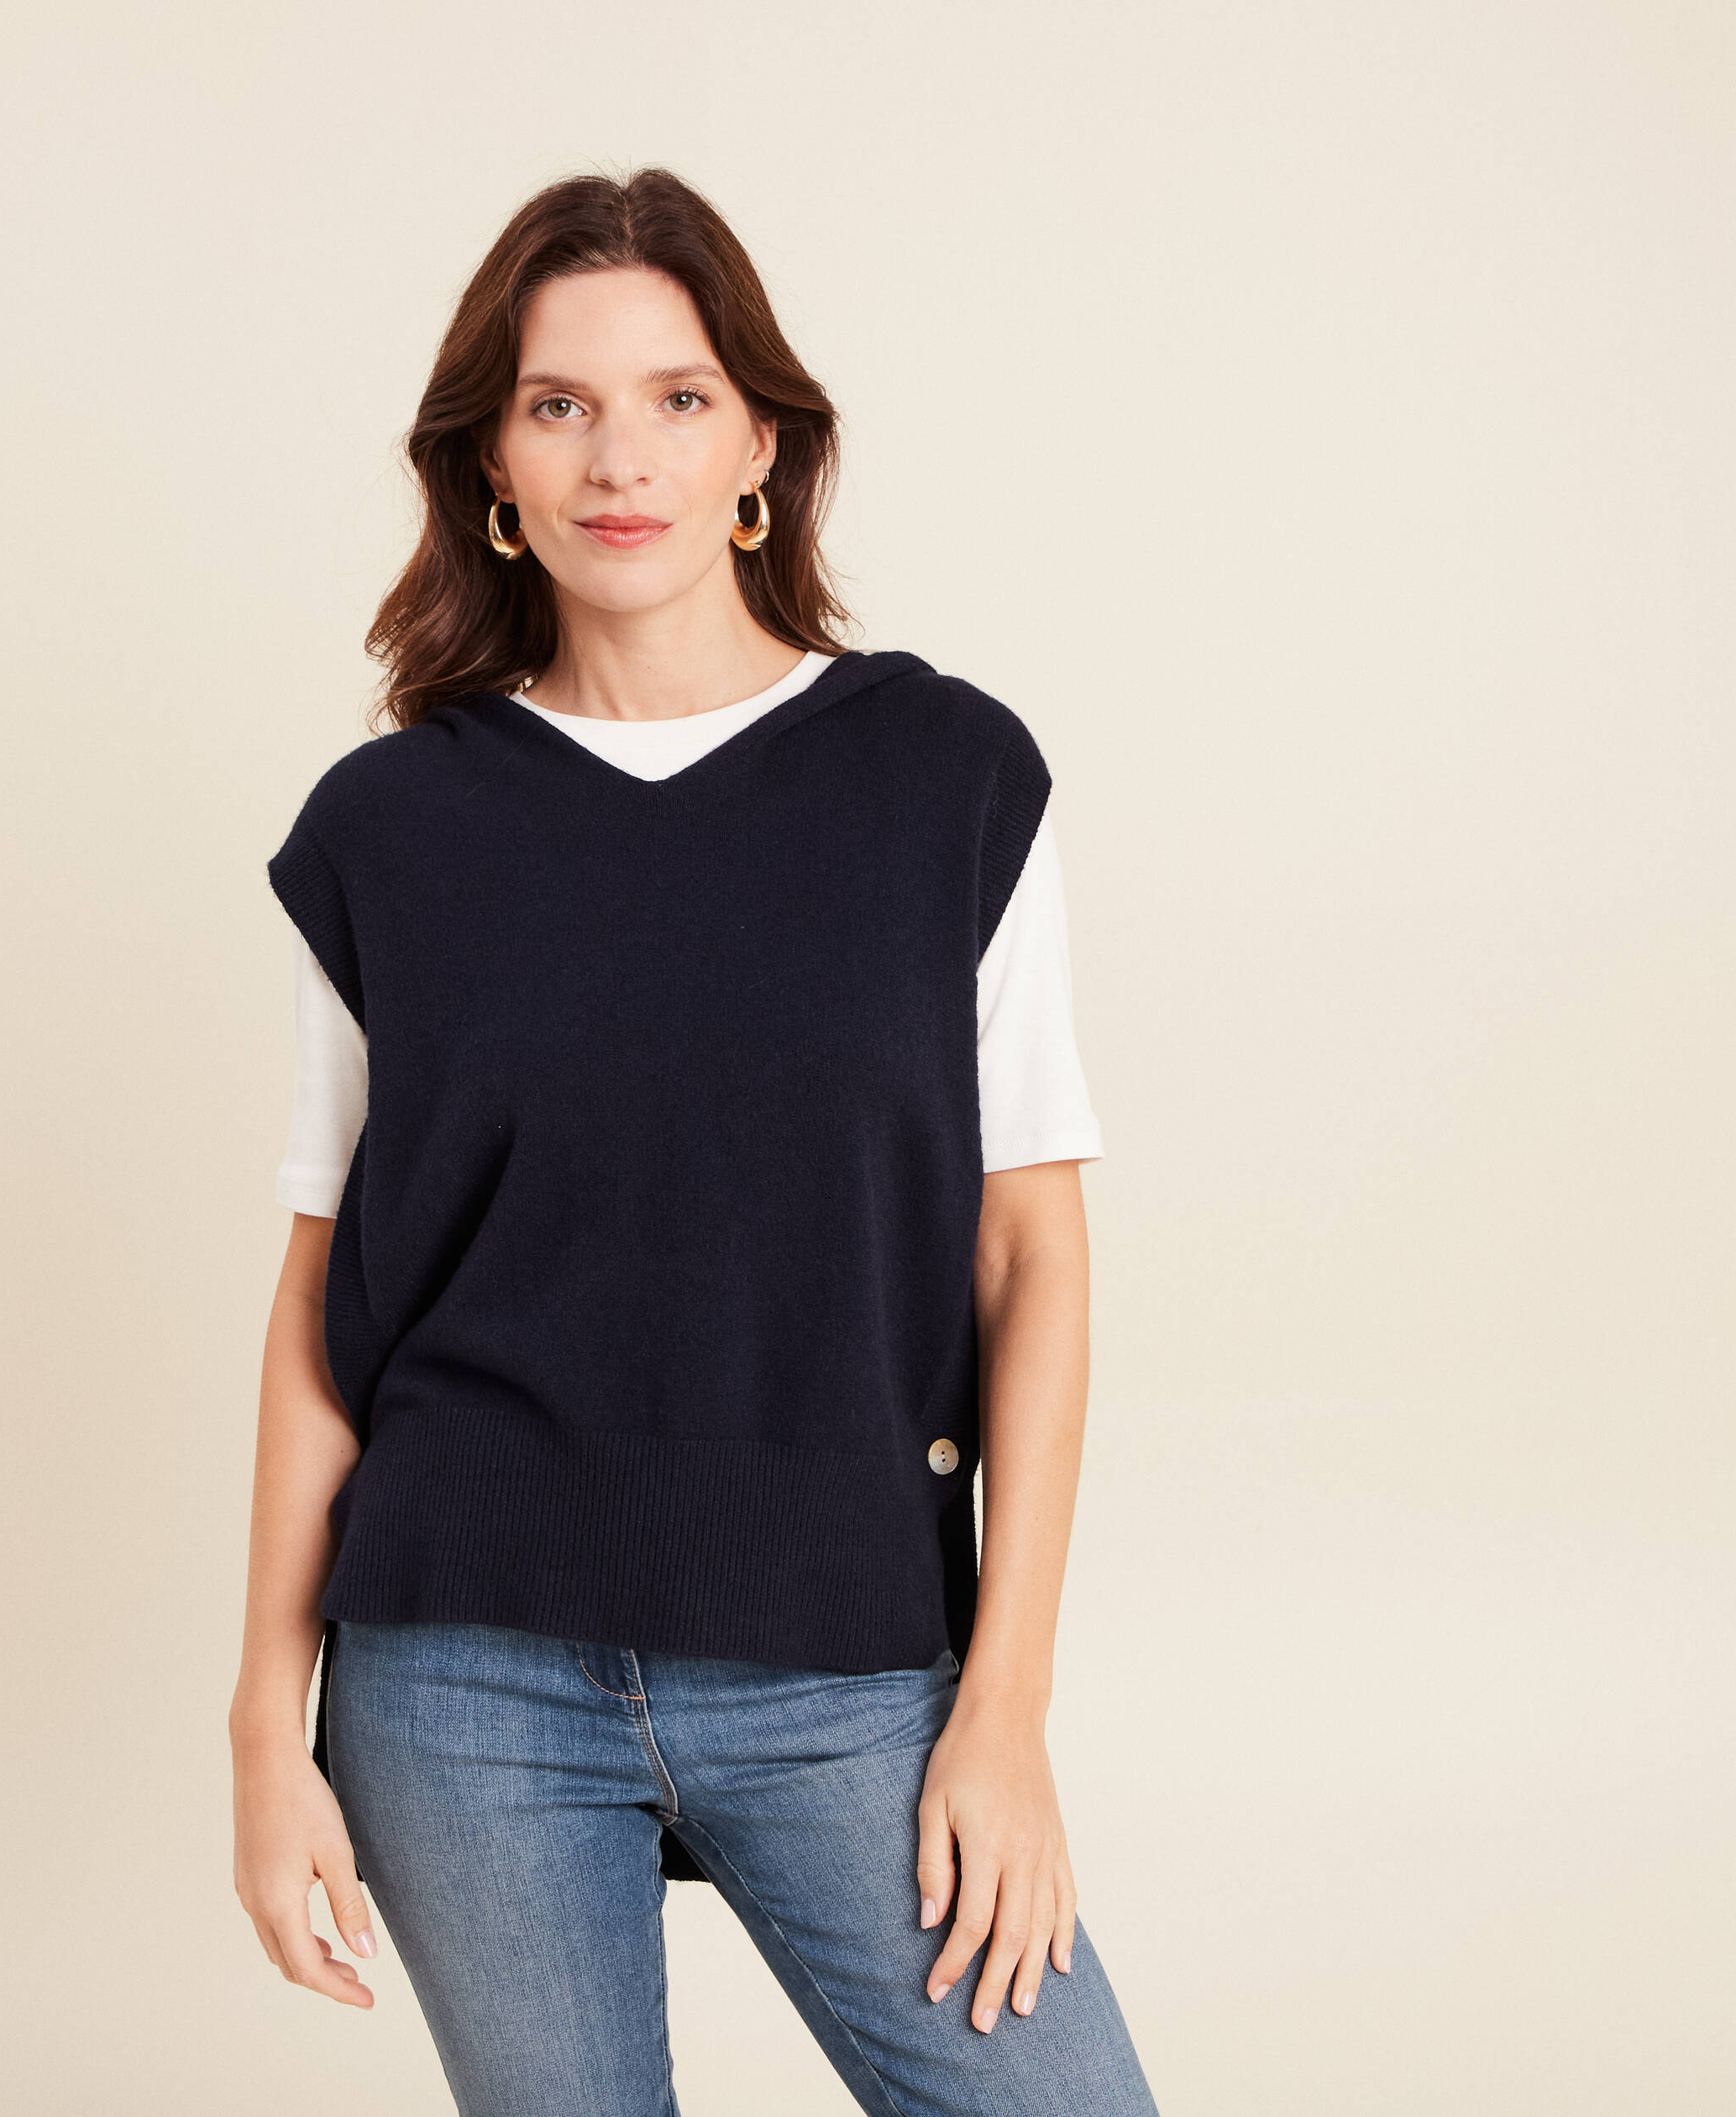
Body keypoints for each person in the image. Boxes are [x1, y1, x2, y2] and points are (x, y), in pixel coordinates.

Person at [228, 165, 1160, 2117]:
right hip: (460, 1678)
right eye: (558, 405)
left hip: (848, 1661)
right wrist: (262, 1720)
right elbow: (328, 1292)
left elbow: (1031, 1257)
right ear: (493, 471)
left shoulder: (944, 778)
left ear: (762, 449)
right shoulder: (391, 832)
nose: (617, 457)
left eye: (676, 397)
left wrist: (1005, 1708)